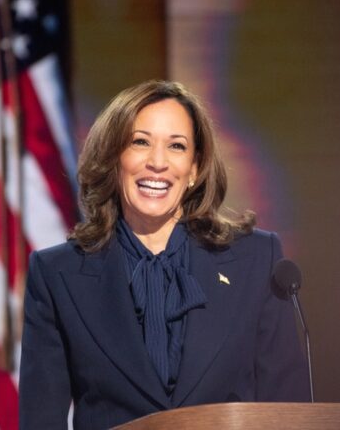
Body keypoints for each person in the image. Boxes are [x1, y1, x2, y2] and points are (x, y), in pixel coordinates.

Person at [18, 80, 309, 429]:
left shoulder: (258, 261)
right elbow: (41, 421)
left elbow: (289, 411)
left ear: (195, 169)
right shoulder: (57, 274)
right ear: (114, 159)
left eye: (176, 146)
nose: (157, 162)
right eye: (140, 142)